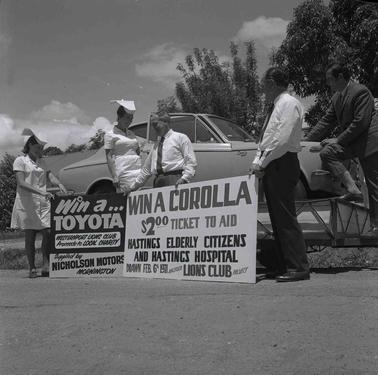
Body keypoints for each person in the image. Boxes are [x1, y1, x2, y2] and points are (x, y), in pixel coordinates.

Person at [251, 67, 310, 282]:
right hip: (273, 163)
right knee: (276, 217)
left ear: (274, 82)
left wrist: (263, 162)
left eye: (264, 85)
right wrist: (258, 161)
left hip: (282, 163)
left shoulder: (288, 103)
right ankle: (284, 264)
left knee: (285, 216)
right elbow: (268, 138)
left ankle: (298, 267)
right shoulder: (277, 105)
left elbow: (282, 141)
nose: (263, 89)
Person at [305, 63, 378, 237]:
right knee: (328, 152)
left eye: (330, 80)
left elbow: (361, 122)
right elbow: (326, 121)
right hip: (353, 141)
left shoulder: (360, 92)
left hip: (370, 142)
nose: (328, 84)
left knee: (374, 185)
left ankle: (376, 225)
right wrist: (305, 141)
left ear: (340, 77)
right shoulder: (337, 98)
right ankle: (353, 189)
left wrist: (337, 139)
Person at [11, 129, 67, 278]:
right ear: (29, 145)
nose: (39, 151)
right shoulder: (20, 161)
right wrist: (40, 191)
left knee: (47, 232)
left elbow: (50, 175)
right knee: (30, 235)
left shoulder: (42, 161)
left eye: (41, 148)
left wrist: (59, 183)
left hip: (43, 202)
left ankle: (46, 265)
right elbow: (21, 182)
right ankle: (32, 267)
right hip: (27, 203)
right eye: (37, 148)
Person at [128, 112, 197, 191]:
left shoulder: (180, 138)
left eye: (155, 124)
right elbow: (146, 169)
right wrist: (133, 187)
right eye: (152, 125)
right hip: (158, 182)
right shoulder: (156, 145)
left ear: (165, 122)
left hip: (175, 180)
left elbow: (190, 161)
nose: (154, 128)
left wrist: (184, 178)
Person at [104, 99, 141, 193]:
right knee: (128, 199)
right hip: (124, 172)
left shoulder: (131, 133)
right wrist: (114, 176)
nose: (129, 121)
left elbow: (137, 151)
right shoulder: (110, 134)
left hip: (137, 170)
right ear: (119, 117)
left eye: (131, 118)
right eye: (127, 118)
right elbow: (109, 157)